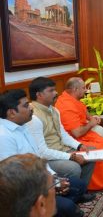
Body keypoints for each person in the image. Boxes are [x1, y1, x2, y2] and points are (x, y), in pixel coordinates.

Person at [0, 89, 87, 217]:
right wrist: (51, 186)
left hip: (38, 179)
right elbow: (16, 180)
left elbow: (38, 157)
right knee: (68, 207)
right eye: (25, 105)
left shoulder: (23, 126)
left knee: (79, 185)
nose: (30, 107)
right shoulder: (4, 136)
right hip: (24, 191)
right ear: (12, 113)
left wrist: (55, 179)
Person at [27, 77, 95, 186]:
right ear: (39, 95)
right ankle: (70, 195)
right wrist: (71, 156)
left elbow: (63, 134)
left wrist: (79, 145)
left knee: (91, 153)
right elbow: (42, 152)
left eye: (55, 89)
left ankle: (81, 190)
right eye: (51, 90)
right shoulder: (33, 116)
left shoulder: (54, 110)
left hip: (62, 149)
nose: (56, 92)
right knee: (74, 168)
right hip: (47, 158)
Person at [55, 77, 103, 190]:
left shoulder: (73, 99)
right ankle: (94, 184)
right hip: (74, 138)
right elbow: (77, 133)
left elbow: (85, 113)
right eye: (83, 88)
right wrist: (91, 124)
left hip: (84, 134)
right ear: (75, 89)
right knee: (99, 147)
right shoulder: (66, 106)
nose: (86, 90)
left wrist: (93, 119)